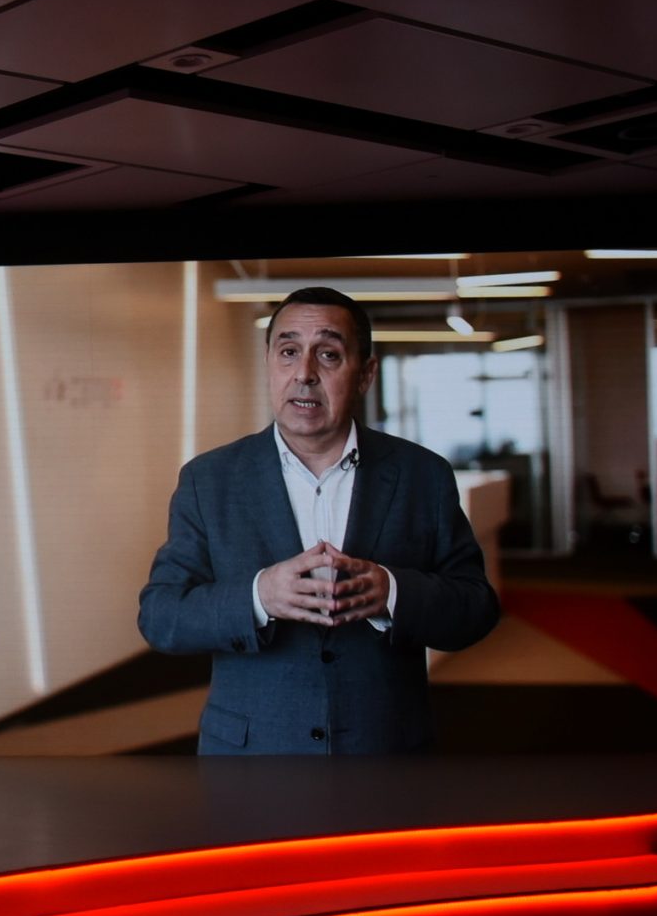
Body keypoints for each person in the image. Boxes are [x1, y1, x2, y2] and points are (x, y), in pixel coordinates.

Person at [138, 286, 500, 754]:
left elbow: (475, 608)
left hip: (387, 751)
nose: (304, 374)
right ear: (269, 362)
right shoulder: (208, 480)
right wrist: (259, 596)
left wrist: (392, 592)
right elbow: (161, 616)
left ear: (365, 374)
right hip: (252, 758)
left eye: (328, 355)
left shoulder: (423, 475)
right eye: (288, 352)